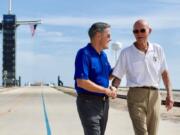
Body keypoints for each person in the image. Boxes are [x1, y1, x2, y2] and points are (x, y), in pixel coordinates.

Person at [112, 19, 174, 135]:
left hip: (155, 96)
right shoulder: (126, 52)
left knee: (153, 133)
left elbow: (165, 73)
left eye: (142, 30)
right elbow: (118, 76)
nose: (139, 34)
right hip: (136, 96)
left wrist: (169, 95)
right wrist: (114, 88)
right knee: (142, 133)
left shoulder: (158, 49)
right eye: (135, 31)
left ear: (149, 31)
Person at [74, 22, 117, 135]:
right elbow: (81, 82)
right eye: (108, 35)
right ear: (98, 35)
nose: (110, 39)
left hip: (103, 104)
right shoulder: (84, 54)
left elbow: (107, 76)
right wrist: (105, 90)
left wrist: (122, 66)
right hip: (88, 103)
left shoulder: (103, 55)